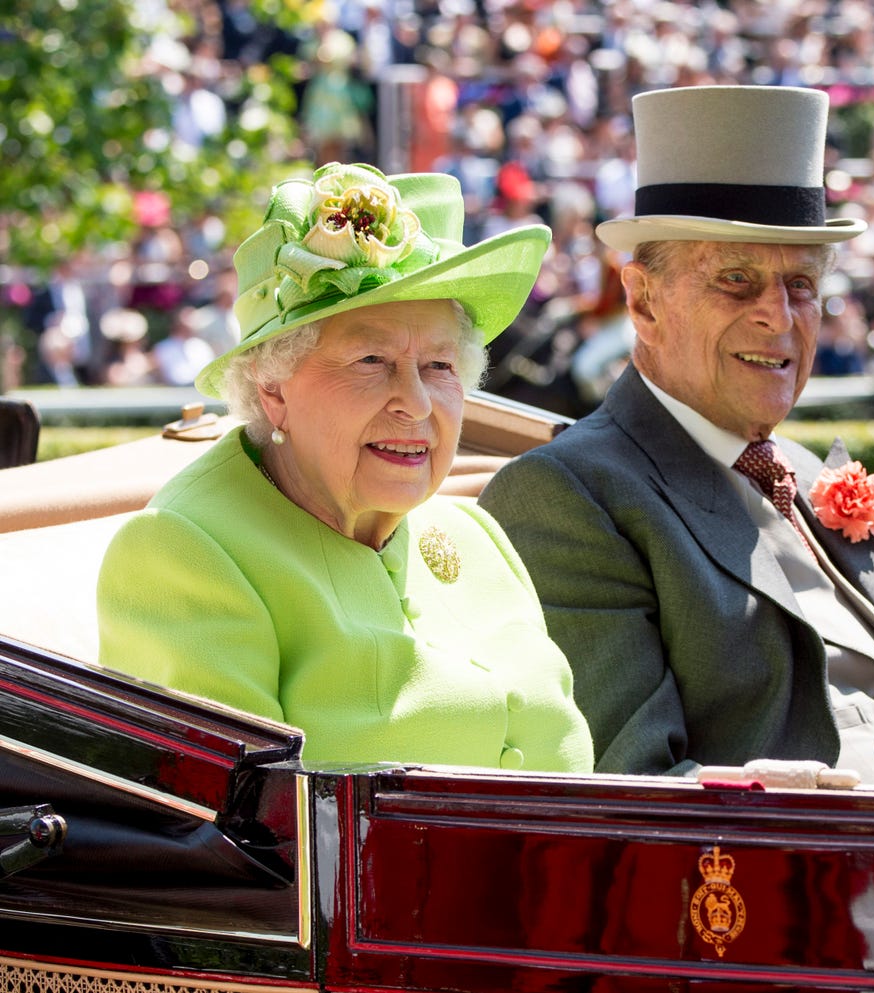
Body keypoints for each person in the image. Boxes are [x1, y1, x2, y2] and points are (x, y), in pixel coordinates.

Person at [479, 85, 874, 793]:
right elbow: (631, 786)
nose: (779, 316)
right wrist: (764, 803)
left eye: (800, 283)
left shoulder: (802, 472)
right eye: (736, 279)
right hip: (800, 872)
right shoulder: (571, 493)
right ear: (642, 301)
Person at [97, 162, 593, 773]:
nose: (414, 402)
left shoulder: (477, 537)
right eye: (370, 359)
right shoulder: (182, 555)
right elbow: (240, 852)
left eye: (440, 366)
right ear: (273, 385)